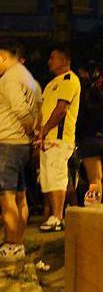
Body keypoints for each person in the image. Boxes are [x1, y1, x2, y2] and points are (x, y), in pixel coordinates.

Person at [0, 39, 40, 260]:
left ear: (2, 56)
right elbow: (38, 106)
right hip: (21, 145)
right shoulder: (28, 78)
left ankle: (10, 245)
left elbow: (21, 110)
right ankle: (18, 244)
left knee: (6, 197)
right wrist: (33, 133)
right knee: (20, 196)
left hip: (8, 142)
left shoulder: (10, 78)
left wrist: (29, 129)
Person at [35, 44, 80, 232]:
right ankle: (54, 216)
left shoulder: (69, 79)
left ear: (64, 60)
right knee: (47, 179)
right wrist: (39, 132)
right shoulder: (51, 83)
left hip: (59, 139)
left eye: (53, 58)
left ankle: (58, 217)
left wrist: (44, 130)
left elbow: (61, 109)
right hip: (47, 139)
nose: (49, 61)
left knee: (57, 177)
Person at [74, 61, 103, 204]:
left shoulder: (85, 94)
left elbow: (80, 118)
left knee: (94, 179)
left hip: (90, 140)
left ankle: (96, 212)